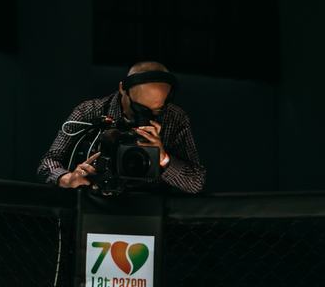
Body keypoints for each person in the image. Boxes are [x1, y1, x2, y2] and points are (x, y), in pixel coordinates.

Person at [38, 61, 206, 194]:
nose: (146, 115)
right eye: (140, 108)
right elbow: (47, 163)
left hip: (149, 207)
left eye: (157, 110)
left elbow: (196, 182)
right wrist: (68, 179)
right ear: (122, 89)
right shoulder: (89, 111)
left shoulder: (174, 118)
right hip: (95, 202)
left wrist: (163, 158)